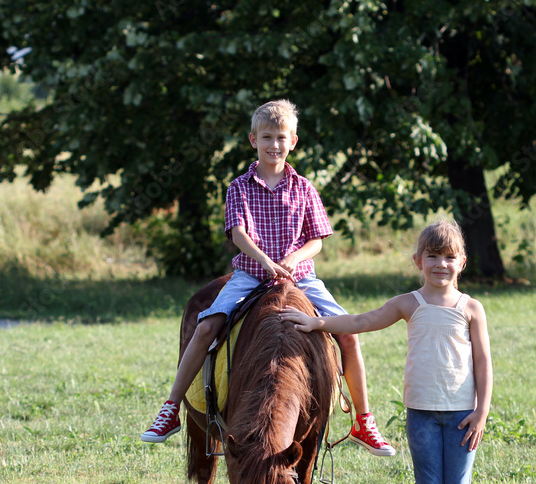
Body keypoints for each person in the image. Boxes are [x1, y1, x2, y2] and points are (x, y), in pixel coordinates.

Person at [141, 99, 395, 457]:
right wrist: (265, 261)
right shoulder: (239, 187)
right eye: (266, 137)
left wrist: (292, 259)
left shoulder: (304, 187)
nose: (273, 144)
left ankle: (364, 422)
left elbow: (317, 240)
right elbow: (238, 234)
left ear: (293, 141)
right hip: (250, 275)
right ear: (253, 140)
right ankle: (170, 410)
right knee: (204, 328)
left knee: (349, 333)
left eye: (280, 137)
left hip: (301, 278)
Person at [278, 220, 493, 484]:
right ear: (418, 260)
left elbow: (484, 362)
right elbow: (363, 321)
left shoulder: (471, 308)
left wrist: (481, 411)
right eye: (433, 256)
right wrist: (319, 324)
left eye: (449, 257)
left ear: (462, 262)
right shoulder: (409, 303)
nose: (441, 264)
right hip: (421, 413)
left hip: (462, 416)